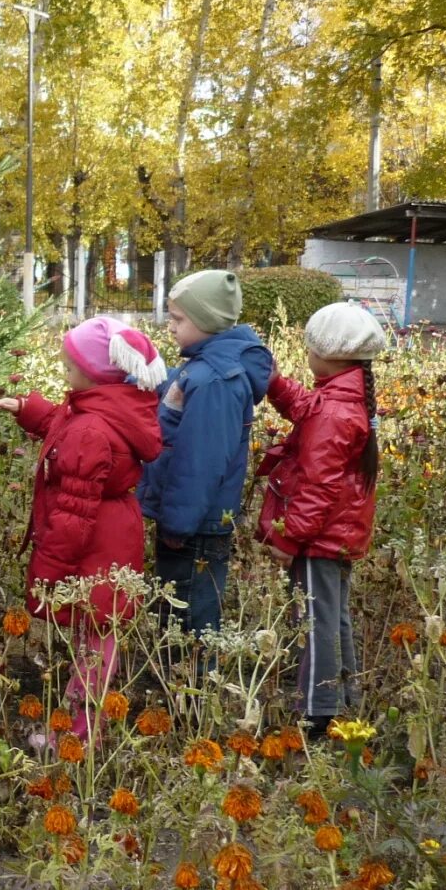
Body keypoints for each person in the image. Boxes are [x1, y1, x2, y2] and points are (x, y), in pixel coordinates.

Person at [0, 317, 165, 744]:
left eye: (69, 367)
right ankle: (83, 724)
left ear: (95, 373)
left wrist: (47, 574)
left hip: (93, 544)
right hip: (114, 534)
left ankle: (80, 735)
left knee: (95, 641)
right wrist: (29, 410)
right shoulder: (110, 408)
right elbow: (69, 432)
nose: (64, 374)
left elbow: (72, 515)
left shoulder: (90, 428)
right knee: (98, 634)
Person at [256, 302, 385, 735]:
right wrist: (276, 384)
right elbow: (307, 409)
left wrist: (288, 539)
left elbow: (317, 486)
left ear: (330, 355)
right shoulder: (344, 396)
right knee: (335, 617)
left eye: (310, 348)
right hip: (336, 534)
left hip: (319, 539)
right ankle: (345, 697)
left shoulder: (333, 411)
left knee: (315, 622)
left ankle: (317, 713)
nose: (306, 354)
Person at [138, 269, 273, 650]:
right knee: (176, 614)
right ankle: (179, 694)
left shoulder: (215, 381)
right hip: (189, 521)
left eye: (179, 319)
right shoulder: (199, 368)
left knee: (192, 620)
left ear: (207, 320)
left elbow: (201, 463)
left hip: (196, 528)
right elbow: (170, 400)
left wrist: (178, 523)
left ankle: (194, 694)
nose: (171, 326)